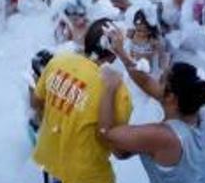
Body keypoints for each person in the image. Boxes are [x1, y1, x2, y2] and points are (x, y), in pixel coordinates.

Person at [98, 41, 205, 183]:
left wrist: (109, 86)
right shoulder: (195, 107)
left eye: (161, 80)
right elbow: (145, 82)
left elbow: (106, 134)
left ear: (171, 98)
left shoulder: (163, 136)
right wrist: (121, 52)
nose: (156, 80)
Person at [32, 18, 133, 183]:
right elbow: (118, 148)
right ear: (115, 53)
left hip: (50, 161)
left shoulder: (59, 61)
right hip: (87, 175)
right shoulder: (118, 91)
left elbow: (36, 102)